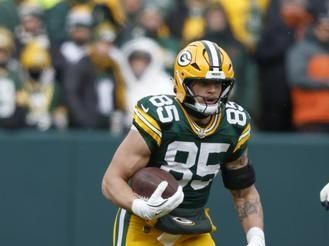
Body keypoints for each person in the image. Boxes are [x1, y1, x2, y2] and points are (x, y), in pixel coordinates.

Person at [102, 40, 265, 245]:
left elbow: (244, 191)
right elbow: (111, 180)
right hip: (144, 226)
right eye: (204, 83)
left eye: (219, 83)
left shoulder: (234, 123)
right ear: (183, 82)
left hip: (193, 228)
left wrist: (256, 237)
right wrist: (140, 206)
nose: (212, 90)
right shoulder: (161, 116)